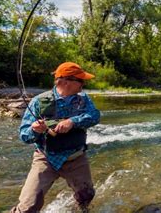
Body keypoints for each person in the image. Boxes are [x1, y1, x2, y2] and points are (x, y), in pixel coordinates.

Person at [11, 62, 101, 213]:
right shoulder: (38, 102)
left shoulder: (84, 99)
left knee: (86, 197)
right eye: (80, 80)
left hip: (76, 158)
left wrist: (73, 121)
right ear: (66, 81)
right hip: (45, 159)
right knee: (28, 207)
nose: (83, 84)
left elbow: (95, 116)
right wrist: (35, 130)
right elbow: (24, 135)